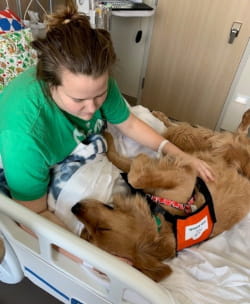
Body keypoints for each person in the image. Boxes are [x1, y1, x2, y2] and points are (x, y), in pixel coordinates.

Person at [0, 3, 214, 214]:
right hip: (39, 155)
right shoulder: (24, 136)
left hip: (82, 141)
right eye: (78, 99)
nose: (92, 108)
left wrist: (179, 155)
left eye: (100, 95)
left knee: (150, 129)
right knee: (98, 199)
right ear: (50, 84)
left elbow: (129, 124)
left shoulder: (95, 81)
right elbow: (34, 215)